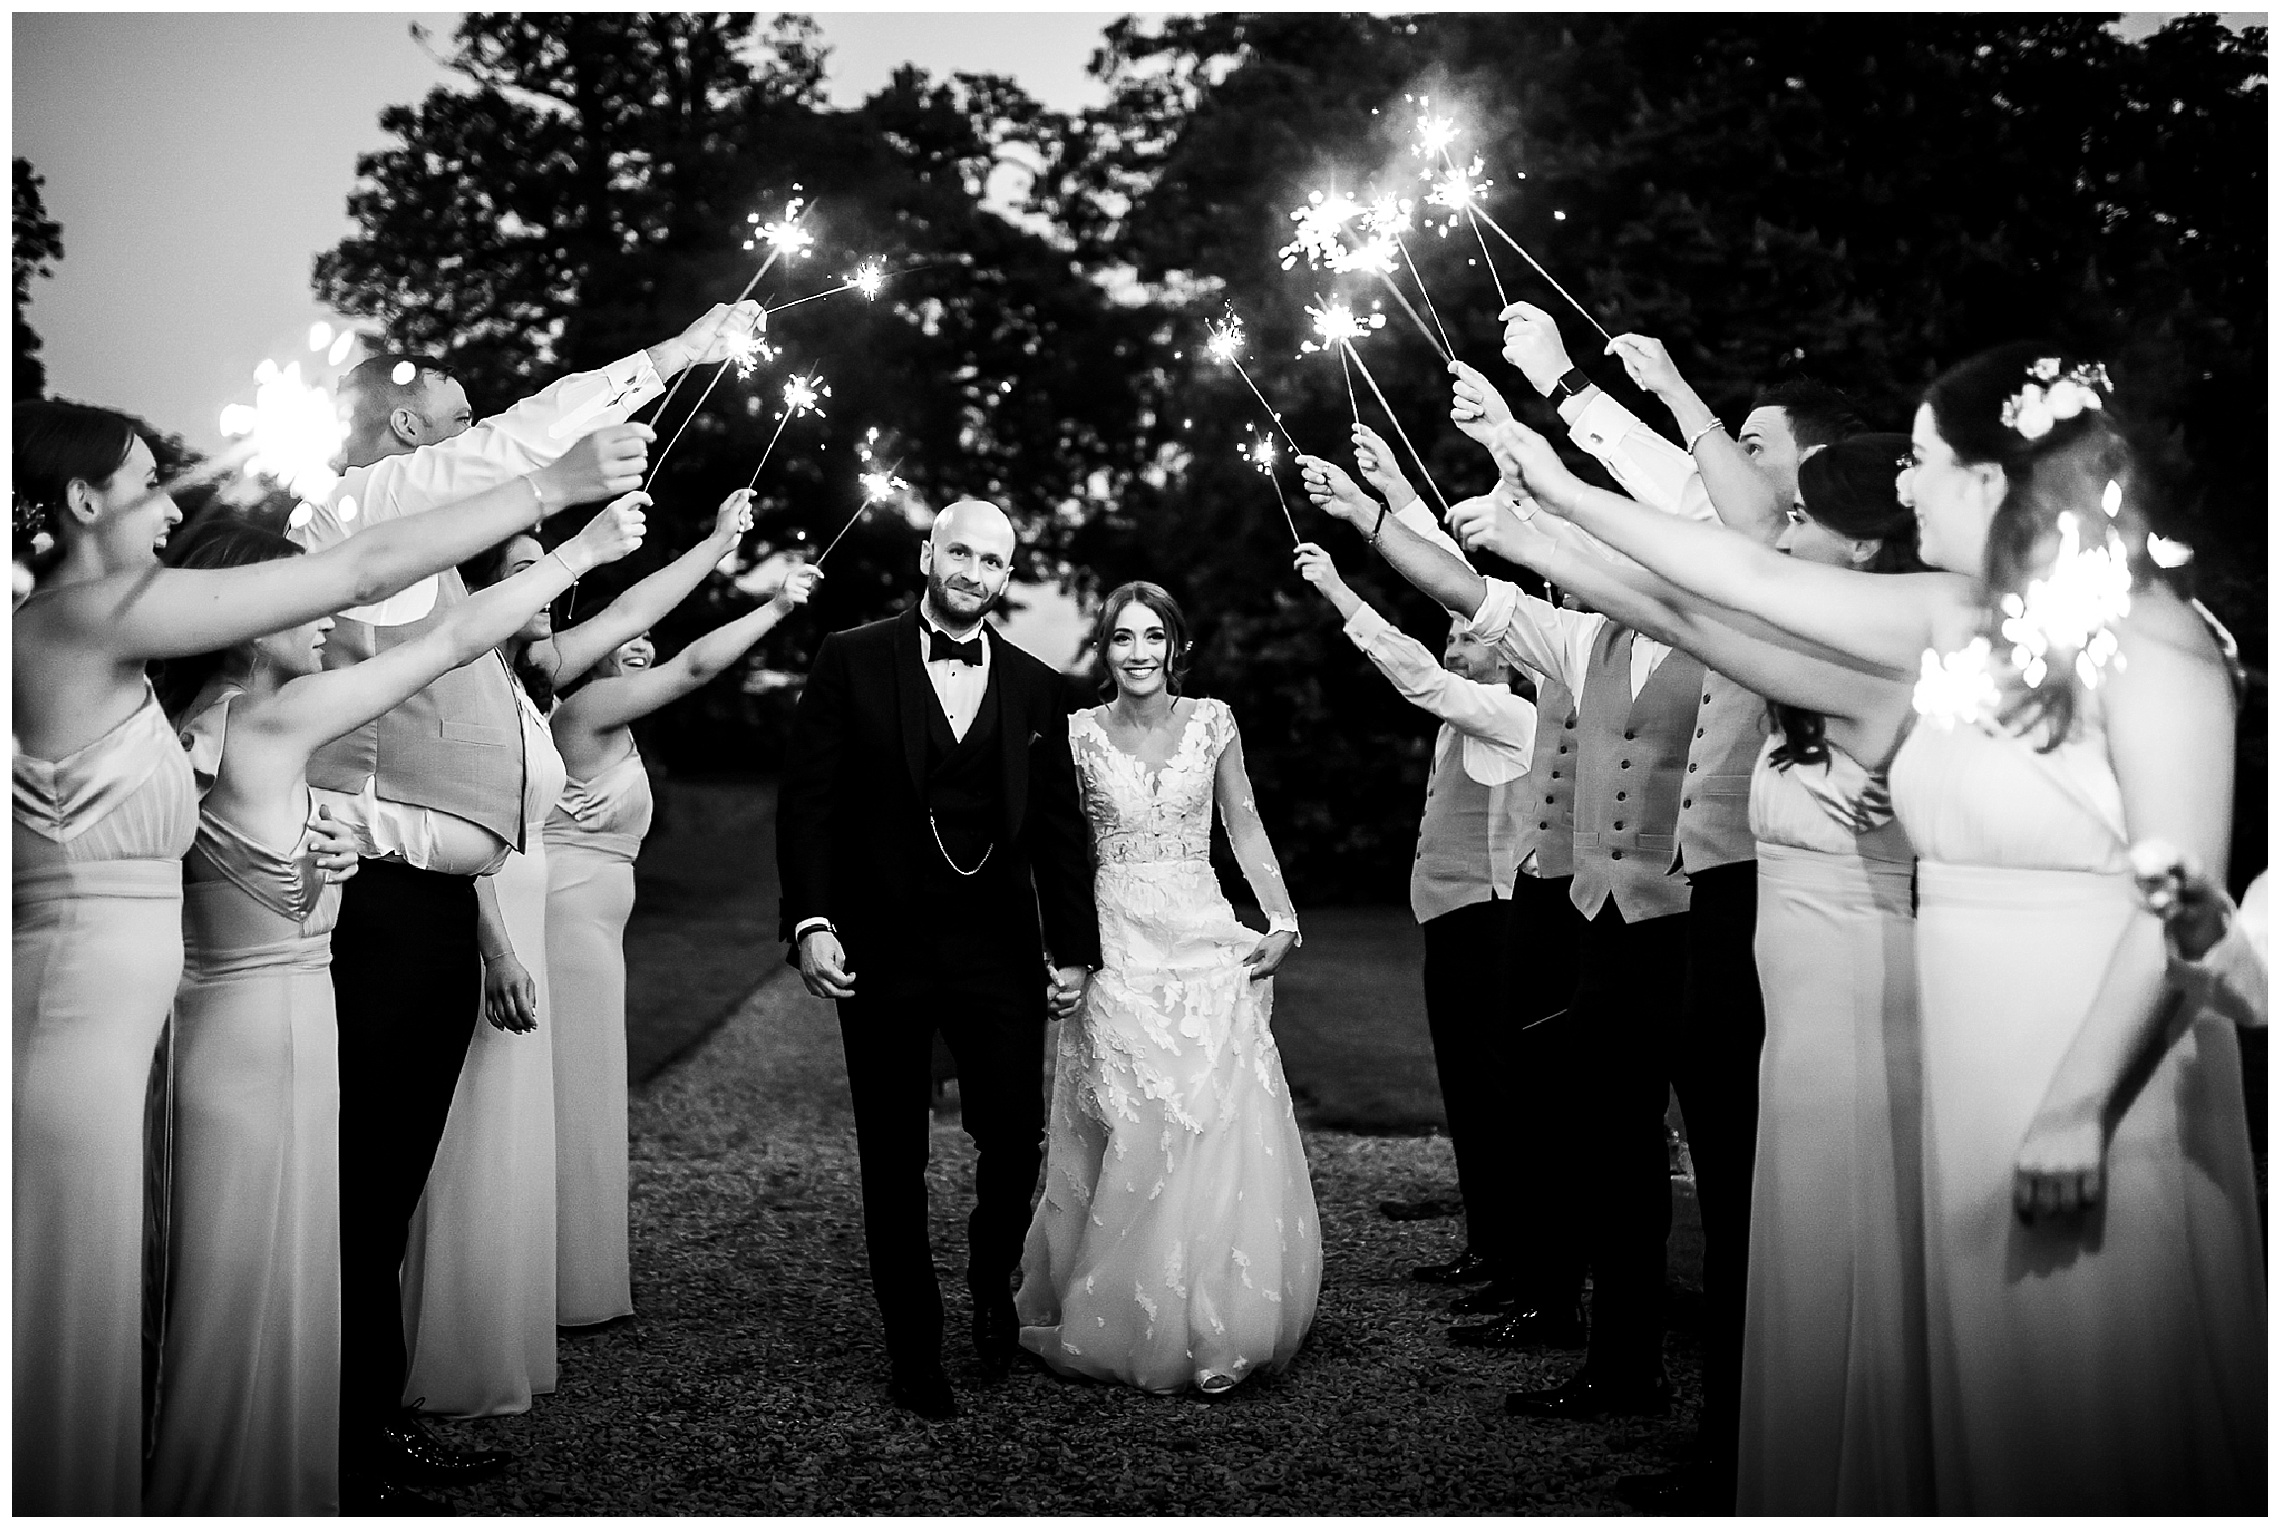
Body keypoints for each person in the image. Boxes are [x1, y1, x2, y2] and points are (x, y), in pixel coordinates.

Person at [1508, 340, 2263, 1511]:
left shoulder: (2155, 639)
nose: (1899, 489)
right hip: (1958, 1070)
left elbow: (2187, 903)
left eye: (1920, 462)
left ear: (1994, 478)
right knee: (1984, 1395)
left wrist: (2077, 1106)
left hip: (2096, 1069)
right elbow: (1742, 592)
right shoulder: (1966, 630)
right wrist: (1549, 494)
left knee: (2083, 1391)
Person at [9, 398, 632, 1514]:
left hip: (183, 1038)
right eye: (149, 479)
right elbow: (372, 577)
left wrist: (318, 835)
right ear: (83, 499)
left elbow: (433, 638)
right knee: (85, 1312)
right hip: (105, 1046)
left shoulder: (183, 717)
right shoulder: (91, 631)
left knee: (167, 1303)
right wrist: (556, 499)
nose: (172, 499)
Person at [292, 301, 760, 1505]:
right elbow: (506, 456)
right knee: (360, 1186)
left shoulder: (431, 560)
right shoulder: (357, 519)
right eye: (459, 410)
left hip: (443, 906)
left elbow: (506, 618)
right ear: (408, 427)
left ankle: (364, 1417)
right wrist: (661, 360)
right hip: (385, 907)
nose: (479, 424)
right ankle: (340, 1441)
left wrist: (591, 542)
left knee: (385, 1184)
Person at [1450, 428, 1939, 1512]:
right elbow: (1672, 600)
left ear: (1860, 547)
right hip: (1755, 948)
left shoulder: (1868, 645)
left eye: (1802, 516)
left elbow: (1696, 588)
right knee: (1768, 1208)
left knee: (1793, 1209)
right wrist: (1535, 513)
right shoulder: (1788, 646)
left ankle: (1799, 1441)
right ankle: (1765, 1432)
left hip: (1806, 960)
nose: (1778, 528)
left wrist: (1560, 480)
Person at [1300, 451, 1706, 1421]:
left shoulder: (1683, 642)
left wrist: (1534, 427)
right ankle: (1593, 1332)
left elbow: (1485, 591)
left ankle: (1696, 1367)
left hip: (1670, 920)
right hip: (1574, 906)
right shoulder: (1576, 641)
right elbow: (1467, 577)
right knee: (1589, 1133)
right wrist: (1380, 504)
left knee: (1646, 1144)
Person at [777, 499, 1100, 1420]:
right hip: (879, 947)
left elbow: (1056, 830)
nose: (972, 569)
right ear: (929, 553)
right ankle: (913, 1348)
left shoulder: (1038, 687)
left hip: (995, 949)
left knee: (1014, 1134)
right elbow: (810, 803)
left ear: (1006, 575)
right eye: (959, 549)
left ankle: (990, 1271)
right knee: (892, 1153)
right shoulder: (852, 656)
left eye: (992, 559)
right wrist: (811, 921)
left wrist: (1074, 949)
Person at [1293, 434, 1576, 1334]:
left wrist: (1341, 590)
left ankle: (1519, 1256)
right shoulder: (1481, 705)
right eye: (1454, 630)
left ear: (1506, 649)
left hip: (1493, 925)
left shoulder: (1510, 711)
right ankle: (1491, 1245)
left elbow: (1420, 676)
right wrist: (1395, 492)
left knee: (1501, 1099)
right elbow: (1451, 577)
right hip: (1451, 919)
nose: (1455, 639)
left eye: (1468, 633)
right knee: (1468, 1093)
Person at [1014, 582, 1317, 1394]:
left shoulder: (1214, 721)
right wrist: (1063, 949)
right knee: (1132, 1118)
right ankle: (1119, 1310)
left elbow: (1241, 821)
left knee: (1209, 1118)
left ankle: (1212, 1311)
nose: (1139, 652)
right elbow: (1058, 850)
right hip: (1116, 944)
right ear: (1104, 649)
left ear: (1176, 643)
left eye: (1153, 636)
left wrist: (1281, 915)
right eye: (1122, 638)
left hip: (1199, 932)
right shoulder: (1077, 736)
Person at [546, 529, 825, 1328]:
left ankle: (571, 1272)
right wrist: (774, 604)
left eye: (646, 636)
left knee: (585, 1091)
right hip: (567, 927)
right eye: (624, 633)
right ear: (589, 647)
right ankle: (557, 1279)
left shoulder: (612, 722)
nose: (641, 644)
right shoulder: (588, 708)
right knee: (571, 1091)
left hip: (592, 929)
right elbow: (697, 665)